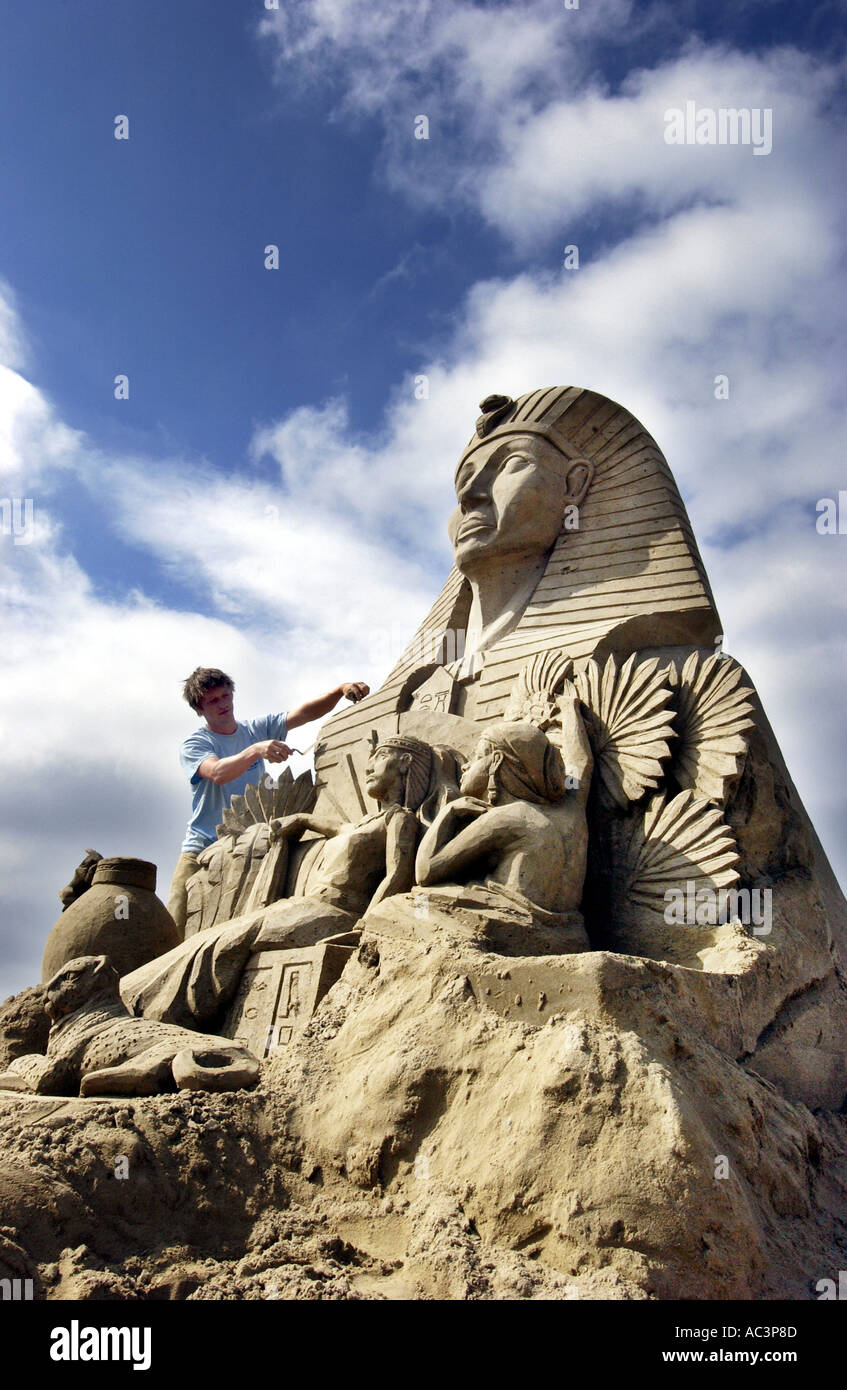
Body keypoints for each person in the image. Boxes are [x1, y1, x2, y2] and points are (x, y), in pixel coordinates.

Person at [127, 734, 440, 1030]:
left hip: (338, 912)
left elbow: (397, 875)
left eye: (380, 757)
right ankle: (129, 996)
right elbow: (335, 827)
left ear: (405, 764)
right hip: (306, 906)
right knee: (212, 936)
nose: (369, 767)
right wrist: (300, 820)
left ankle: (164, 1013)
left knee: (225, 941)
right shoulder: (360, 824)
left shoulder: (400, 820)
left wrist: (366, 927)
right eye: (369, 759)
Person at [166, 666, 369, 933]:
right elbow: (216, 773)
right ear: (199, 709)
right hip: (202, 846)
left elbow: (303, 714)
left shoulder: (253, 729)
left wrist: (339, 690)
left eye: (225, 696)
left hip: (248, 845)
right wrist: (255, 751)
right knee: (174, 923)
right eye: (213, 700)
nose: (222, 704)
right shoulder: (196, 744)